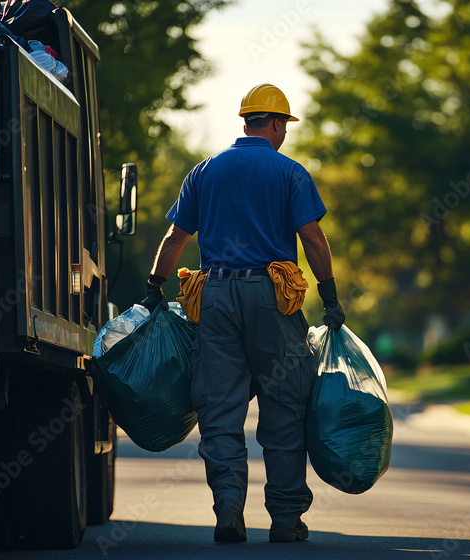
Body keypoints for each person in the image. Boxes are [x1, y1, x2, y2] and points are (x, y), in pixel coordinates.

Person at [141, 83, 345, 544]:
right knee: (285, 409)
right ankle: (285, 519)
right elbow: (312, 238)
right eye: (284, 126)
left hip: (214, 297)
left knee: (220, 410)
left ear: (245, 121)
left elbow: (176, 237)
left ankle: (229, 511)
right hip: (271, 298)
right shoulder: (289, 172)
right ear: (276, 124)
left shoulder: (204, 172)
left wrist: (154, 286)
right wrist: (330, 298)